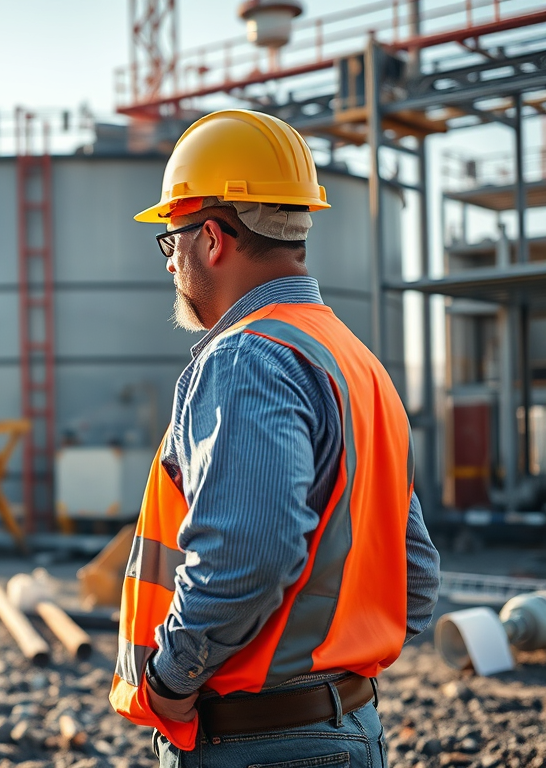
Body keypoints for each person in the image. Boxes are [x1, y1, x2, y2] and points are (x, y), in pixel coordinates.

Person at [110, 110, 440, 768]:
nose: (170, 263)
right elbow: (418, 579)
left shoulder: (246, 356)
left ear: (210, 238)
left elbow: (245, 557)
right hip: (346, 728)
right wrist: (335, 663)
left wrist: (173, 680)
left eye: (170, 242)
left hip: (259, 741)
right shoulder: (355, 361)